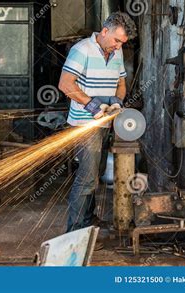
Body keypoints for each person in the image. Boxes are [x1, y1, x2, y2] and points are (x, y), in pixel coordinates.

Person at [58, 12, 137, 246]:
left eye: (122, 43)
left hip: (104, 123)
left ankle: (88, 221)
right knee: (86, 180)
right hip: (85, 124)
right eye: (116, 40)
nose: (118, 46)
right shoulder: (82, 50)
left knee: (95, 175)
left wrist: (117, 102)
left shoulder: (116, 51)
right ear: (104, 31)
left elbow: (121, 83)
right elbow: (65, 84)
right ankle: (74, 237)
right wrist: (92, 105)